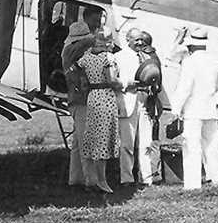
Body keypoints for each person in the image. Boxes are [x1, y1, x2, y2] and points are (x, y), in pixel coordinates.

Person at [168, 26, 218, 190]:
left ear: (191, 45)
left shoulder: (190, 62)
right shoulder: (214, 61)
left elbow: (185, 87)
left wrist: (176, 109)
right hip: (210, 108)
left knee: (192, 147)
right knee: (213, 146)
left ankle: (192, 184)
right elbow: (217, 87)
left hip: (193, 110)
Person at [77, 32, 123, 193]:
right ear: (108, 42)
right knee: (103, 138)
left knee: (95, 135)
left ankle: (95, 178)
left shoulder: (86, 57)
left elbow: (78, 71)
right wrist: (124, 83)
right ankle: (102, 181)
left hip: (93, 95)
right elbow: (111, 80)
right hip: (105, 96)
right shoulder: (108, 58)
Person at [117, 27, 162, 186]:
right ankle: (127, 178)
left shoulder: (146, 56)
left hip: (145, 100)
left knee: (146, 142)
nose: (140, 42)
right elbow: (113, 80)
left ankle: (146, 177)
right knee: (127, 144)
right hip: (128, 99)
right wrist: (126, 85)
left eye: (141, 39)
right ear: (127, 39)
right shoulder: (119, 57)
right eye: (136, 39)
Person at [61, 22, 96, 187]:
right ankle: (92, 182)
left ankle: (75, 179)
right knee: (86, 143)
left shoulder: (68, 51)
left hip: (75, 100)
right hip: (83, 101)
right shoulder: (77, 52)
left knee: (77, 143)